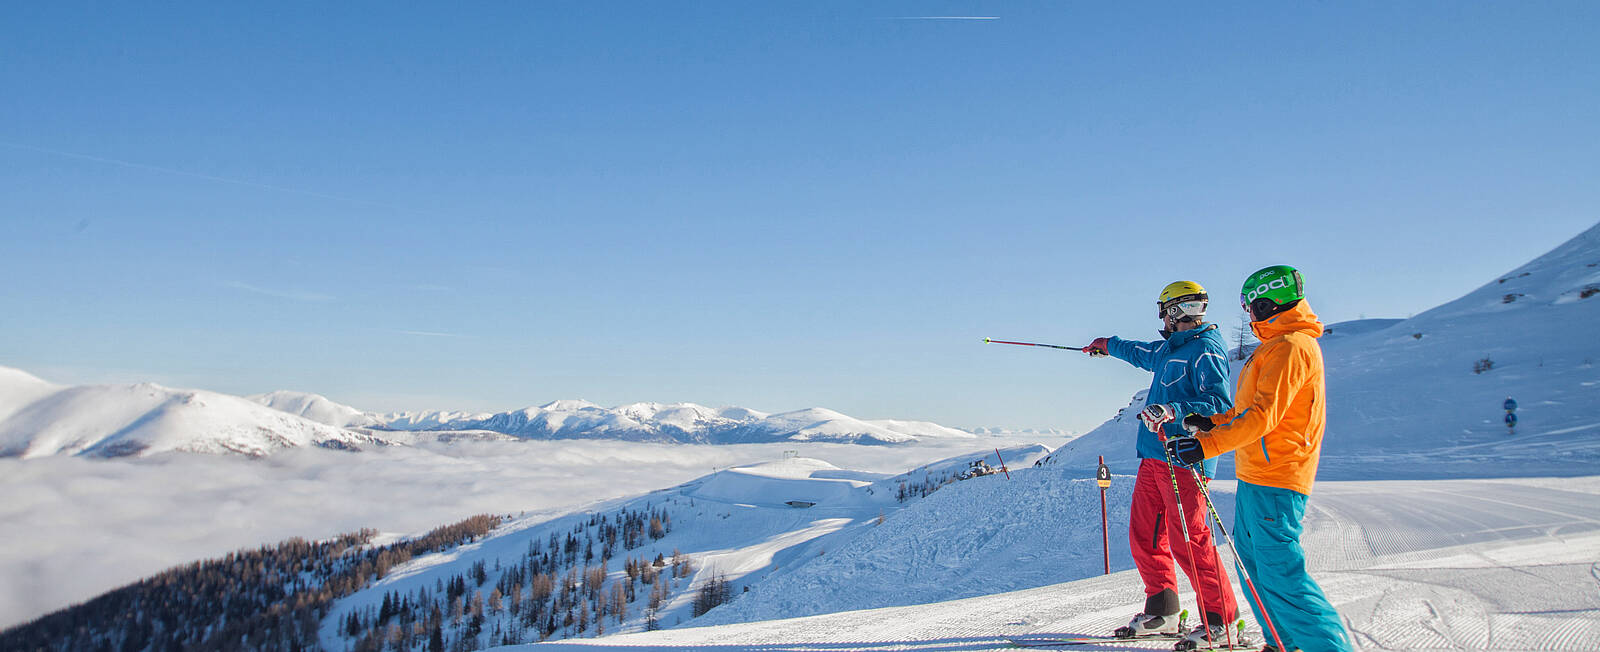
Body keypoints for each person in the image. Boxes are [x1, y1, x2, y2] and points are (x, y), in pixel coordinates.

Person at [1165, 265, 1352, 652]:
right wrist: (1209, 424)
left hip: (1278, 477)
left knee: (1282, 575)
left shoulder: (1291, 347)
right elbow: (1245, 411)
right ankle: (1283, 642)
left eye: (1251, 306)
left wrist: (1207, 447)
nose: (1248, 314)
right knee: (1253, 567)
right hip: (1256, 475)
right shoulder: (1275, 346)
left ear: (1268, 303)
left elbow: (1264, 417)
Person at [1084, 281, 1239, 647]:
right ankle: (1164, 612)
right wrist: (1107, 345)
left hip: (1185, 459)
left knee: (1190, 541)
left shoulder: (1206, 351)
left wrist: (1173, 410)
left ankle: (1222, 622)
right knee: (1145, 537)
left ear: (1174, 311)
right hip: (1155, 458)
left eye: (1162, 310)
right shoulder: (1173, 348)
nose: (1161, 318)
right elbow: (1142, 352)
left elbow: (1218, 404)